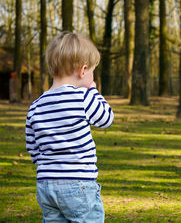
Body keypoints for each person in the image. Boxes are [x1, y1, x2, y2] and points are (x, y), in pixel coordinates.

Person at [25, 32, 114, 222]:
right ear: (83, 71)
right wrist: (94, 91)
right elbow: (106, 118)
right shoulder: (82, 98)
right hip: (79, 184)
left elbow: (33, 149)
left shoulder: (35, 106)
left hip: (45, 185)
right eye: (92, 72)